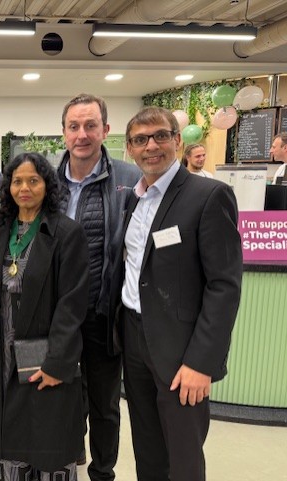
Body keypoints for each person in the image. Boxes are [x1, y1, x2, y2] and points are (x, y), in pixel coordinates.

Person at [117, 106, 242, 481]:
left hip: (181, 351)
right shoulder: (134, 199)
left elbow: (224, 286)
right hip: (134, 339)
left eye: (160, 136)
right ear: (130, 148)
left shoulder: (209, 196)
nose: (151, 146)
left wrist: (202, 363)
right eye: (141, 139)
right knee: (148, 450)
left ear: (177, 140)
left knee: (183, 457)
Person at [0, 152, 89, 481]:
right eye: (17, 181)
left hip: (44, 353)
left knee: (44, 431)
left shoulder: (66, 233)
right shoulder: (1, 230)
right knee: (8, 427)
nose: (24, 188)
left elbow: (72, 304)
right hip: (2, 348)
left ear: (47, 185)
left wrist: (57, 362)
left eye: (33, 181)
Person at [56, 93, 140, 481]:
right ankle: (65, 460)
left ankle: (103, 471)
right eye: (74, 126)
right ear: (63, 132)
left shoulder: (130, 180)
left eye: (90, 125)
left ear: (105, 130)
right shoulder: (46, 181)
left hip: (103, 312)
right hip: (55, 317)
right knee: (61, 395)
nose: (82, 134)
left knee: (105, 404)